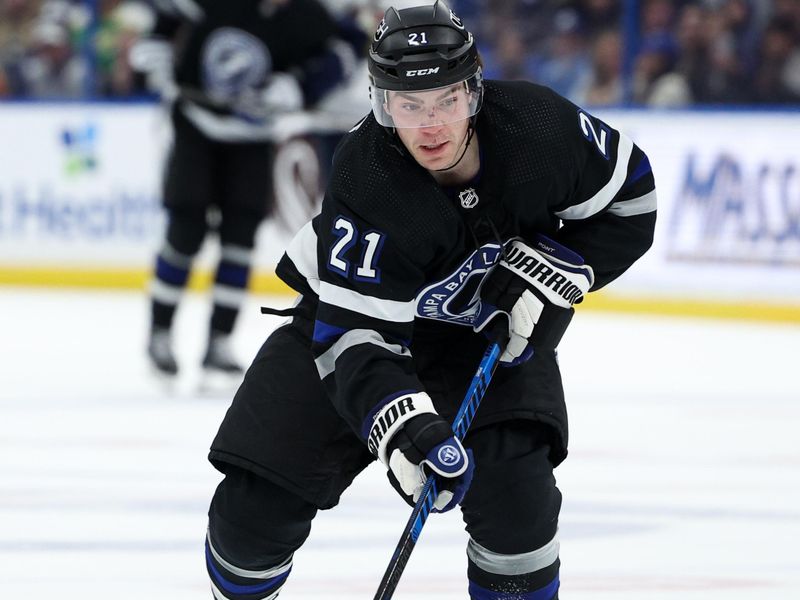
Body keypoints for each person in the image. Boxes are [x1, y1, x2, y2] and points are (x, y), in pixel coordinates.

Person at [205, 2, 657, 598]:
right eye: (409, 106)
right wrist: (404, 429)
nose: (431, 126)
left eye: (447, 99)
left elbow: (631, 203)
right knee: (250, 519)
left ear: (474, 91)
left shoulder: (539, 129)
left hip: (486, 335)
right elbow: (355, 338)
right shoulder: (367, 177)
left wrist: (556, 272)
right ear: (381, 105)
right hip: (351, 324)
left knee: (519, 517)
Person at [132, 0, 364, 377]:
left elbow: (348, 47)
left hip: (254, 136)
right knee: (185, 230)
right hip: (196, 125)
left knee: (239, 239)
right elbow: (165, 17)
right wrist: (156, 60)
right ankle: (160, 331)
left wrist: (299, 87)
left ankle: (219, 341)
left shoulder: (309, 15)